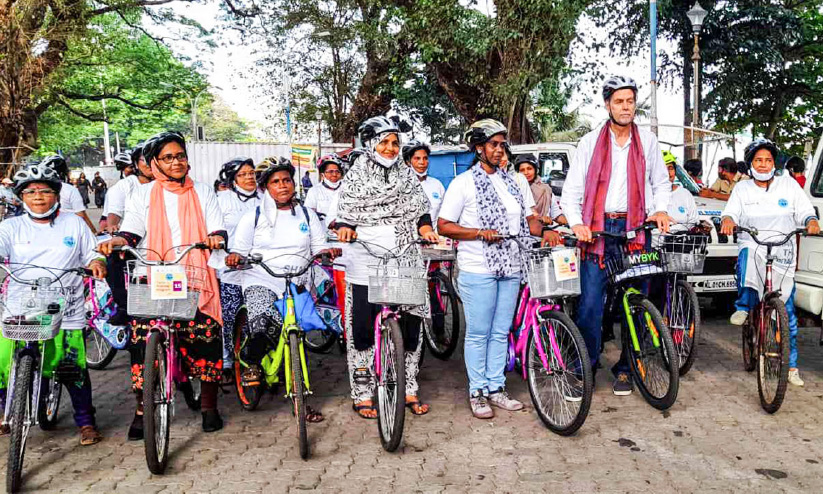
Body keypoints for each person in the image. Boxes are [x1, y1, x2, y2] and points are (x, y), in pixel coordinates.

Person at [98, 131, 227, 435]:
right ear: (155, 162)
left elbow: (216, 225)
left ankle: (209, 406)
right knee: (142, 341)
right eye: (168, 157)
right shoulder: (142, 194)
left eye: (180, 155)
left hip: (194, 273)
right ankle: (143, 411)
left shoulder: (203, 191)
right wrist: (118, 240)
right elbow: (131, 230)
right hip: (154, 273)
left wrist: (216, 238)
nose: (176, 162)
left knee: (205, 336)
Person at [437, 119, 561, 419]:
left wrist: (550, 230)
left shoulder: (514, 181)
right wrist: (479, 232)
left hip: (512, 265)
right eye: (493, 144)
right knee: (479, 332)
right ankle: (477, 391)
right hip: (478, 267)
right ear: (479, 148)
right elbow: (444, 225)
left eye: (502, 144)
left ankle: (496, 387)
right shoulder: (462, 183)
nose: (499, 149)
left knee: (500, 331)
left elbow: (529, 221)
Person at [560, 75, 671, 396]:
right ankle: (585, 368)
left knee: (636, 302)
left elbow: (661, 183)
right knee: (590, 305)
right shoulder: (590, 142)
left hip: (636, 231)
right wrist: (577, 223)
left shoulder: (647, 141)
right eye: (619, 101)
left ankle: (626, 368)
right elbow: (571, 192)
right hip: (596, 233)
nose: (626, 107)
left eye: (630, 101)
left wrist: (661, 209)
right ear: (607, 104)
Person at [335, 116, 439, 419]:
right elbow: (346, 213)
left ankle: (408, 387)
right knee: (363, 331)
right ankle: (363, 392)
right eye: (384, 142)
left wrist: (425, 230)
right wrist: (344, 229)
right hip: (365, 258)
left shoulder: (407, 175)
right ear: (370, 144)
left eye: (395, 142)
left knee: (410, 328)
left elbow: (421, 211)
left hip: (404, 256)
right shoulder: (355, 174)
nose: (391, 148)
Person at [0, 163, 106, 445]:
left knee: (71, 365)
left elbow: (92, 252)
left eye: (45, 191)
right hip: (20, 304)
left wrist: (96, 262)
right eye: (31, 191)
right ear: (21, 196)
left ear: (56, 194)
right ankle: (4, 412)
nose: (38, 196)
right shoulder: (10, 226)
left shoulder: (73, 222)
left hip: (67, 304)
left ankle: (85, 422)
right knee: (3, 360)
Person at [226, 157, 328, 422]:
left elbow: (318, 246)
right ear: (265, 188)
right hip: (262, 279)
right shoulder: (254, 216)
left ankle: (301, 399)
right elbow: (239, 248)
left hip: (296, 280)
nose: (282, 186)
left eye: (286, 180)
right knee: (264, 323)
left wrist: (328, 252)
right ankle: (251, 360)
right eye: (275, 182)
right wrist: (236, 256)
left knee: (299, 333)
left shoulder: (307, 214)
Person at [721, 139, 820, 387]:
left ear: (774, 163)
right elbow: (730, 212)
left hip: (783, 250)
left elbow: (805, 209)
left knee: (787, 313)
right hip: (753, 243)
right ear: (751, 163)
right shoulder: (742, 189)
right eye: (758, 160)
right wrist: (729, 220)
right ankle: (744, 307)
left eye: (768, 160)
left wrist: (811, 221)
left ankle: (792, 367)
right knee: (746, 259)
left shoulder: (788, 185)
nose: (763, 165)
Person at [213, 157, 260, 376]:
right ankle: (227, 359)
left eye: (251, 173)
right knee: (229, 316)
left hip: (259, 268)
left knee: (256, 317)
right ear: (232, 179)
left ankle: (255, 359)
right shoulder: (221, 200)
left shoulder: (264, 199)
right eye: (243, 174)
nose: (249, 177)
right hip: (228, 267)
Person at [102, 149, 154, 326]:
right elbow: (113, 215)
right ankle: (123, 306)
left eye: (152, 159)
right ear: (136, 164)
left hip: (159, 244)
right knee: (113, 261)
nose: (148, 164)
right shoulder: (124, 186)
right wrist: (114, 226)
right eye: (143, 160)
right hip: (129, 242)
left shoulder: (168, 186)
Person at [39, 155, 97, 233]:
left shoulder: (37, 190)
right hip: (69, 233)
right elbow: (81, 216)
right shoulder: (70, 190)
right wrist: (94, 232)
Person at [514, 153, 566, 225]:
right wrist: (540, 218)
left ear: (536, 170)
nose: (526, 173)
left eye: (529, 169)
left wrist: (573, 224)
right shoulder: (515, 190)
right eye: (522, 170)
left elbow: (556, 214)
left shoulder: (546, 190)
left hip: (545, 230)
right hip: (525, 230)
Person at [402, 140, 446, 221]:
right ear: (408, 162)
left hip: (433, 233)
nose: (422, 162)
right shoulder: (400, 186)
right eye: (417, 158)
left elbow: (444, 214)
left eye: (425, 158)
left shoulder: (437, 185)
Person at [304, 154, 344, 225]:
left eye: (337, 171)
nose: (334, 174)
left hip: (344, 232)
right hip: (322, 232)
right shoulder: (314, 191)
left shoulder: (347, 189)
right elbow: (309, 213)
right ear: (322, 174)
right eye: (330, 171)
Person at [663, 151, 698, 228]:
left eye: (670, 168)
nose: (667, 173)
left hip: (680, 238)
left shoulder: (685, 194)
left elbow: (693, 221)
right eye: (662, 168)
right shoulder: (647, 195)